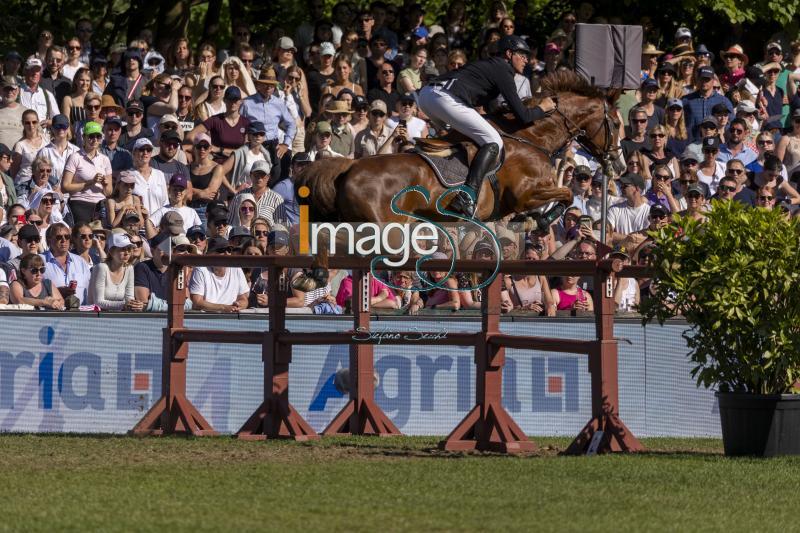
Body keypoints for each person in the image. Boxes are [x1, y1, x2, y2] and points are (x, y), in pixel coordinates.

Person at [417, 35, 555, 217]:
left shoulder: (492, 66)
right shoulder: (503, 69)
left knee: (459, 139)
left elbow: (490, 109)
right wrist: (542, 108)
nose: (526, 60)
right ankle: (467, 195)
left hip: (428, 96)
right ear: (509, 53)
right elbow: (523, 116)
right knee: (494, 141)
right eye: (522, 54)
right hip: (445, 98)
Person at [240, 67, 296, 185]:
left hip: (273, 145)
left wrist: (285, 144)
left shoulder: (279, 103)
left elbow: (291, 123)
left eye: (271, 85)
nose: (268, 87)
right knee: (255, 177)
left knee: (276, 176)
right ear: (258, 85)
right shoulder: (247, 103)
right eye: (265, 84)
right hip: (254, 145)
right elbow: (239, 125)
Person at [61, 122, 113, 225]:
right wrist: (90, 182)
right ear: (84, 137)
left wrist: (105, 184)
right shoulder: (75, 157)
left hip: (100, 204)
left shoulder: (105, 159)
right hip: (80, 202)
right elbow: (64, 187)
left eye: (98, 136)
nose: (95, 140)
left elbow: (108, 192)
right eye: (91, 136)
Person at [189, 237, 249, 312]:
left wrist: (239, 304)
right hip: (206, 318)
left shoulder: (236, 269)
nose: (227, 253)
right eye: (222, 250)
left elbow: (244, 299)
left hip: (231, 317)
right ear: (210, 254)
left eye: (229, 250)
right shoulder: (200, 269)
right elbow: (197, 303)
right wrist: (223, 308)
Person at [88, 231, 141, 310]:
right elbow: (98, 302)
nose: (127, 253)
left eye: (129, 249)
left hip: (117, 317)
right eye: (122, 249)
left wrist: (134, 304)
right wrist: (124, 305)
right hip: (97, 317)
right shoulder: (101, 268)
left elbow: (129, 298)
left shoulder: (129, 268)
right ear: (112, 251)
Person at [41, 223, 92, 305]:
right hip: (52, 313)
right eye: (59, 237)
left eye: (67, 237)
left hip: (81, 314)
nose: (64, 240)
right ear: (49, 239)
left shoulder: (81, 262)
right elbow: (32, 292)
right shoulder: (40, 261)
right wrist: (56, 292)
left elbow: (90, 290)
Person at [682, 65, 733, 142]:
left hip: (716, 146)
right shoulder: (686, 100)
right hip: (691, 145)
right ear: (697, 80)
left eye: (707, 79)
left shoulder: (724, 101)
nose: (704, 82)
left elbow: (731, 123)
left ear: (713, 81)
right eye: (702, 79)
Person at [221, 121, 272, 193]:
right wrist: (233, 191)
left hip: (259, 194)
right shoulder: (240, 153)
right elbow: (220, 172)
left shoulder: (266, 155)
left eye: (261, 134)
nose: (258, 136)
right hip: (242, 195)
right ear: (249, 136)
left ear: (264, 137)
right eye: (255, 133)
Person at [187, 133, 224, 224]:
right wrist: (200, 194)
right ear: (194, 148)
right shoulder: (187, 167)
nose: (202, 149)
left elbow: (210, 194)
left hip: (205, 210)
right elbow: (184, 191)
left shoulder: (217, 168)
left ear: (210, 148)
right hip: (188, 208)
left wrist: (191, 191)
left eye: (205, 146)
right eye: (199, 146)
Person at [36, 114, 79, 188]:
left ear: (68, 128)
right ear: (52, 128)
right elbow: (39, 176)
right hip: (51, 194)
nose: (61, 129)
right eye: (57, 126)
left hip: (72, 194)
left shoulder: (76, 151)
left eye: (64, 126)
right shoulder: (44, 152)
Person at [607, 173, 651, 244]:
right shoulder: (614, 209)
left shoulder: (650, 211)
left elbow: (649, 237)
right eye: (621, 185)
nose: (621, 187)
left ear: (637, 188)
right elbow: (609, 234)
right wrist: (632, 239)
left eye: (625, 186)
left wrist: (621, 237)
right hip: (620, 253)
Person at [11, 110, 47, 190]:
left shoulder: (46, 139)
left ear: (38, 122)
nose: (31, 125)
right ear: (23, 123)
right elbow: (14, 171)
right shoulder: (19, 145)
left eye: (34, 122)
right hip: (24, 185)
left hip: (44, 183)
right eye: (27, 123)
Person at [19, 58, 59, 131]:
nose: (35, 73)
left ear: (41, 73)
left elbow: (57, 119)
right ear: (26, 71)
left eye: (37, 70)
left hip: (42, 138)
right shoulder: (17, 91)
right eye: (32, 70)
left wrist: (49, 122)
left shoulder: (48, 94)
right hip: (21, 136)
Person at [0, 78, 25, 149]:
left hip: (20, 157)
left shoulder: (26, 112)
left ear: (18, 91)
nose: (9, 92)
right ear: (0, 90)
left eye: (12, 89)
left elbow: (37, 136)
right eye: (6, 89)